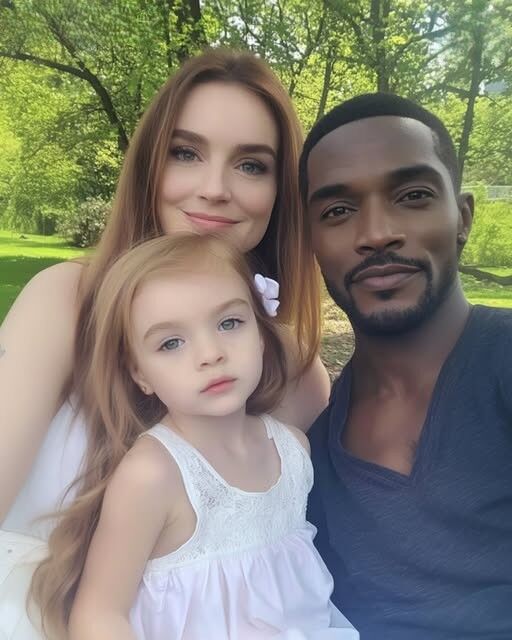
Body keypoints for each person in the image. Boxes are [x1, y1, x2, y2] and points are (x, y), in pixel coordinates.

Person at [0, 48, 329, 542]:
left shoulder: (295, 371)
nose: (215, 188)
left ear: (280, 191)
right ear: (150, 167)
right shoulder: (65, 301)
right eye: (186, 153)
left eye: (251, 165)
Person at [25, 234, 358, 640]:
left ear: (260, 334)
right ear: (140, 374)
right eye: (171, 343)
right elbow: (99, 614)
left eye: (229, 323)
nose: (210, 353)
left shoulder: (292, 449)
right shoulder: (154, 475)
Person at [301, 93, 512, 640]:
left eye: (413, 195)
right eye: (337, 211)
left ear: (462, 217)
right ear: (311, 243)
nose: (376, 233)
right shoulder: (310, 447)